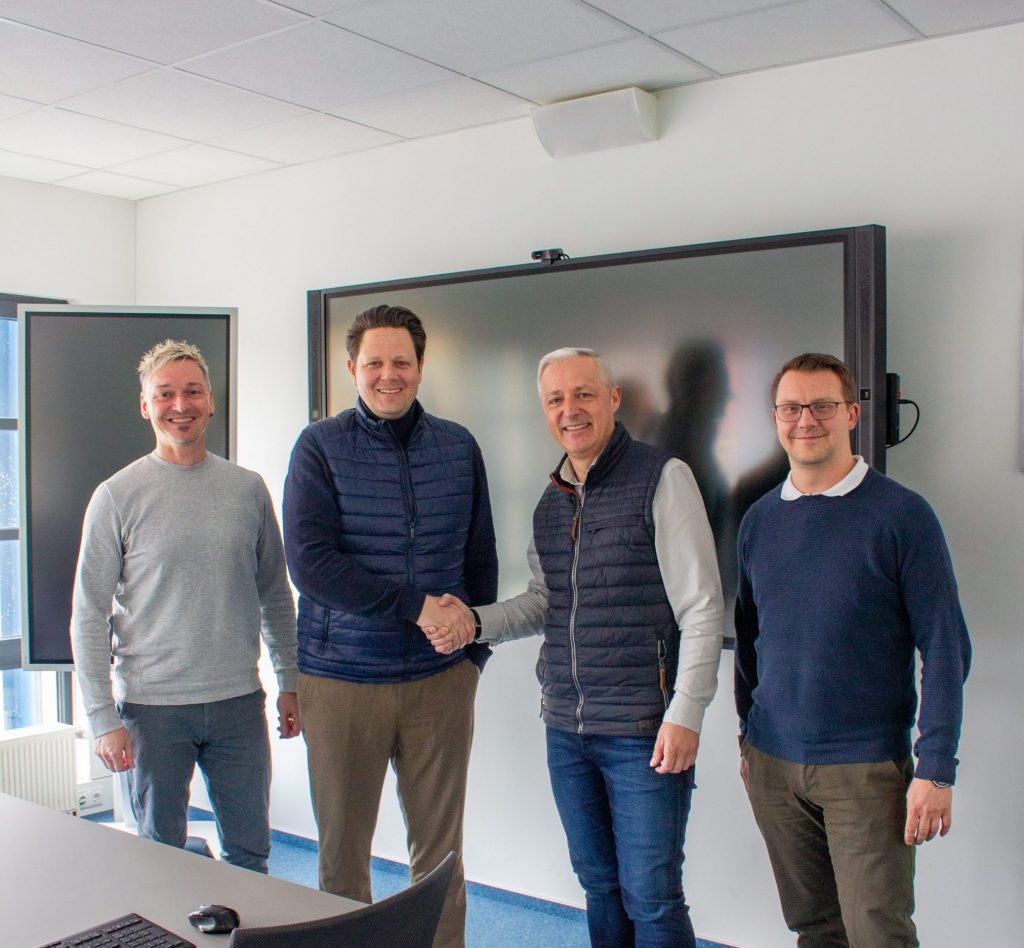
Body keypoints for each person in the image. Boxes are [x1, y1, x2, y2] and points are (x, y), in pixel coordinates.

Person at [426, 347, 724, 948]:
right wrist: (472, 623)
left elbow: (702, 606)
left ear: (613, 399)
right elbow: (544, 602)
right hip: (566, 729)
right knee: (599, 886)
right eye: (556, 399)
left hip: (643, 730)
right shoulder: (551, 502)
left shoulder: (663, 478)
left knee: (653, 898)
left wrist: (686, 713)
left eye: (584, 394)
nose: (571, 410)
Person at [734, 352, 972, 946]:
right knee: (814, 928)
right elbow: (750, 640)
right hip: (772, 763)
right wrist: (746, 737)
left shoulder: (902, 516)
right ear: (776, 417)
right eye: (791, 407)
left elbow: (945, 646)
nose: (806, 420)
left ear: (851, 414)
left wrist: (936, 768)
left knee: (876, 933)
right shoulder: (759, 520)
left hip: (864, 769)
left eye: (822, 405)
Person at [282, 304, 498, 948]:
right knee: (343, 861)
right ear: (352, 368)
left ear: (421, 366)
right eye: (373, 362)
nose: (388, 374)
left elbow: (480, 557)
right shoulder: (319, 446)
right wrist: (415, 606)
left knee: (441, 858)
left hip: (440, 683)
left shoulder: (458, 447)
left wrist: (473, 654)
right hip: (342, 681)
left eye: (401, 361)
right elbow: (311, 565)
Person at [71, 339, 299, 873]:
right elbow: (88, 614)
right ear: (145, 405)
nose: (181, 405)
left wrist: (290, 680)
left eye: (193, 391)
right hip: (151, 711)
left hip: (237, 703)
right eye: (165, 394)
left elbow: (274, 593)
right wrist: (103, 718)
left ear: (210, 401)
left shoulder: (247, 490)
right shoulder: (116, 496)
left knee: (250, 854)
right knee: (160, 860)